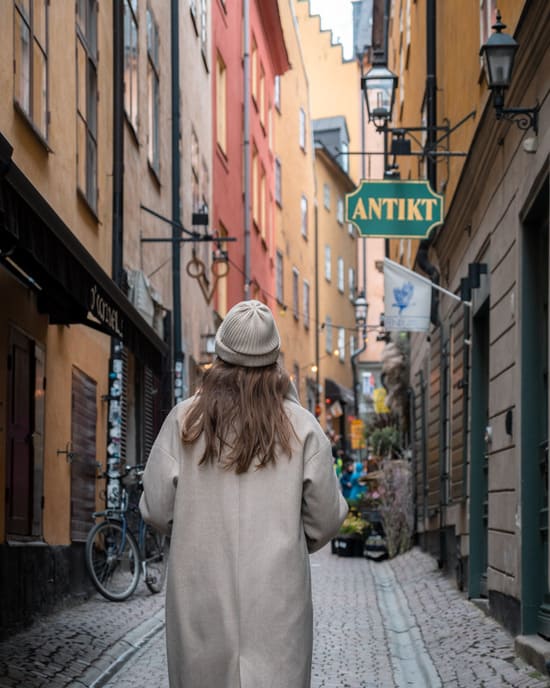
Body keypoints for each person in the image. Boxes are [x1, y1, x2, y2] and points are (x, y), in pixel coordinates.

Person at [140, 299, 348, 688]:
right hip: (278, 600)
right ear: (275, 361)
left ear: (219, 357)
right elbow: (325, 518)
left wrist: (190, 529)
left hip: (199, 597)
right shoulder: (302, 429)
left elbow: (155, 509)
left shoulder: (183, 422)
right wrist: (290, 538)